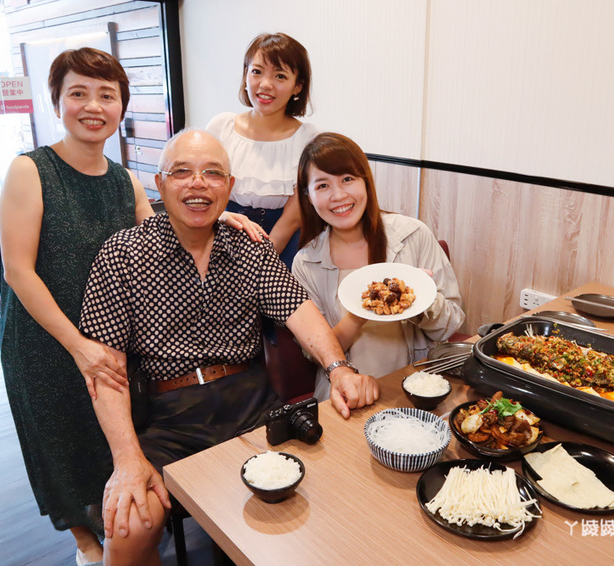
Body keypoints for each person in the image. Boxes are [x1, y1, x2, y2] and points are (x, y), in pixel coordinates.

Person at [0, 48, 263, 566]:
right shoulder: (30, 170)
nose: (93, 105)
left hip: (110, 337)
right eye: (78, 93)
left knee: (114, 440)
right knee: (65, 445)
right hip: (48, 342)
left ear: (120, 106)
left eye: (107, 95)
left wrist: (218, 214)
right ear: (57, 102)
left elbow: (161, 224)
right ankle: (87, 546)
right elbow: (17, 272)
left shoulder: (125, 179)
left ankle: (118, 528)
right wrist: (77, 346)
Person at [78, 129, 380, 565]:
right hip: (169, 416)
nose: (198, 183)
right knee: (130, 524)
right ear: (160, 184)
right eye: (182, 172)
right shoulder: (123, 254)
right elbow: (105, 369)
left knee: (322, 484)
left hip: (251, 405)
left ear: (229, 188)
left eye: (212, 174)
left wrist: (339, 369)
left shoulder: (249, 246)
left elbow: (299, 309)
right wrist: (126, 459)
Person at [292, 133, 466, 400]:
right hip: (346, 393)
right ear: (308, 196)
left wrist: (421, 300)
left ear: (366, 181)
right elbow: (314, 354)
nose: (338, 195)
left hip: (417, 386)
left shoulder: (413, 235)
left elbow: (452, 322)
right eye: (322, 185)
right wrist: (360, 313)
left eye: (347, 179)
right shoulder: (306, 262)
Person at [206, 32, 317, 268]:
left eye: (280, 75)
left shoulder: (308, 138)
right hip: (221, 230)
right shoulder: (220, 126)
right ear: (245, 75)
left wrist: (266, 256)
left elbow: (294, 213)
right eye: (256, 71)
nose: (265, 84)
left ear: (297, 86)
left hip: (284, 240)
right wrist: (220, 218)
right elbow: (204, 188)